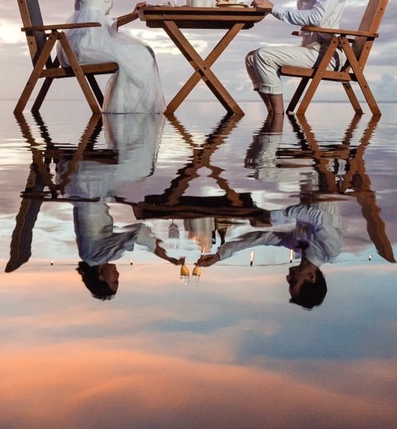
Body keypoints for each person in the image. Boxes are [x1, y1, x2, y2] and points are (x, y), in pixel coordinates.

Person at [199, 0, 346, 127]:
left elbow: (317, 18)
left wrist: (273, 9)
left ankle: (277, 120)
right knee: (252, 59)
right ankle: (272, 119)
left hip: (328, 54)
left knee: (263, 56)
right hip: (309, 50)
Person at [64, 0, 185, 114]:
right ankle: (127, 117)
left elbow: (99, 20)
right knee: (141, 55)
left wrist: (132, 15)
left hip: (85, 38)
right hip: (83, 44)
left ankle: (128, 117)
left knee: (143, 53)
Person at [68, 114, 184, 299]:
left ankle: (140, 123)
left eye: (114, 281)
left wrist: (161, 252)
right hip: (79, 185)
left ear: (100, 277)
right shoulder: (88, 255)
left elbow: (135, 233)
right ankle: (132, 125)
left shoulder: (97, 257)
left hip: (90, 181)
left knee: (144, 168)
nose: (118, 275)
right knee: (137, 180)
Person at [193, 198, 341, 309]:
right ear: (311, 277)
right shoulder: (330, 250)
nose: (288, 277)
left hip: (308, 180)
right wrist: (273, 218)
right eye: (293, 281)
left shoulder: (296, 246)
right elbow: (319, 216)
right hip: (327, 179)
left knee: (260, 171)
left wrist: (220, 256)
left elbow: (260, 239)